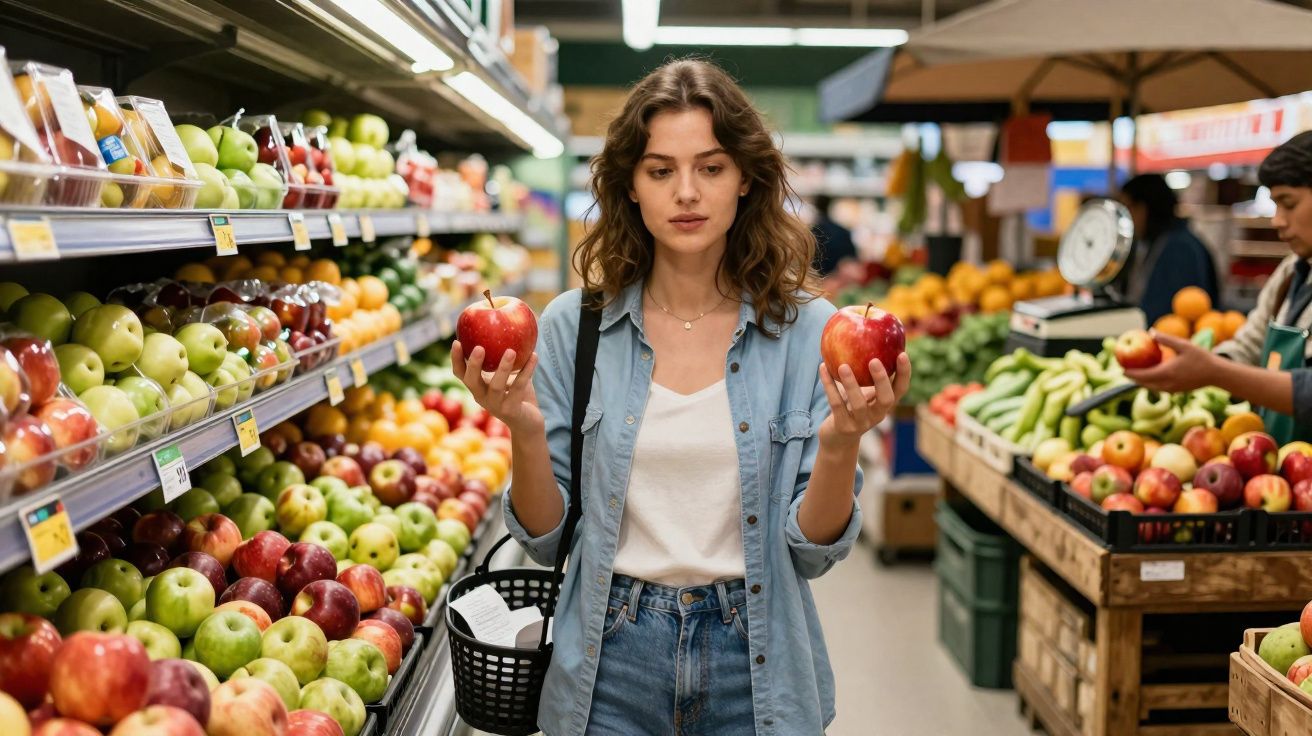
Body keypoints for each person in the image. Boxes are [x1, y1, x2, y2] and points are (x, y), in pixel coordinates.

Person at [451, 59, 910, 735]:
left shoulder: (808, 332)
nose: (687, 192)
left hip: (753, 657)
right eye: (661, 170)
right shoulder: (574, 329)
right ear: (631, 186)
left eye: (712, 167)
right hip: (610, 657)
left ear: (746, 178)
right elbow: (548, 540)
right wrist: (522, 425)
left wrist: (842, 441)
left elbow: (811, 554)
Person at [1125, 133, 1312, 442]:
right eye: (1274, 204)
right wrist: (1195, 367)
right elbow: (1250, 346)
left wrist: (1214, 372)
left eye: (1288, 203)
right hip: (1280, 472)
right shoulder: (1291, 273)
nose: (1277, 220)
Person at [1118, 174, 1220, 324]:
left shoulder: (1181, 249)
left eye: (1128, 208)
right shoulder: (1154, 243)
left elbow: (1173, 314)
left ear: (1144, 208)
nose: (1126, 219)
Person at [811, 194, 857, 277]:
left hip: (820, 278)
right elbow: (852, 256)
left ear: (816, 207)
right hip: (840, 278)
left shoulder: (813, 232)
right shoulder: (841, 230)